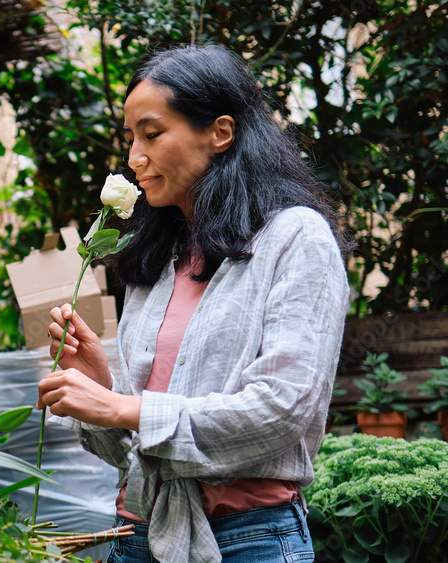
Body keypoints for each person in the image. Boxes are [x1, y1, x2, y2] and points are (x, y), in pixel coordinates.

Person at [35, 45, 350, 563]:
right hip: (133, 535)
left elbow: (282, 409)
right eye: (131, 138)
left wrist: (125, 407)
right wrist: (101, 389)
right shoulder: (158, 257)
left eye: (152, 134)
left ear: (220, 132)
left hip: (245, 542)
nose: (135, 157)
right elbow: (135, 454)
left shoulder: (295, 238)